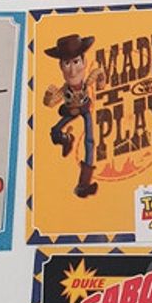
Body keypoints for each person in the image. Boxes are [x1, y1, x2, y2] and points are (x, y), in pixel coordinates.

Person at [43, 34, 105, 198]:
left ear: (84, 62)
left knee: (89, 141)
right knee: (55, 131)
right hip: (70, 111)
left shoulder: (85, 83)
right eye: (67, 63)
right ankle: (66, 139)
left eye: (76, 62)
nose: (72, 70)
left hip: (84, 110)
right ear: (61, 67)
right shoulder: (65, 89)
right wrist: (48, 96)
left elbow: (98, 72)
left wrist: (101, 82)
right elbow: (51, 103)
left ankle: (83, 185)